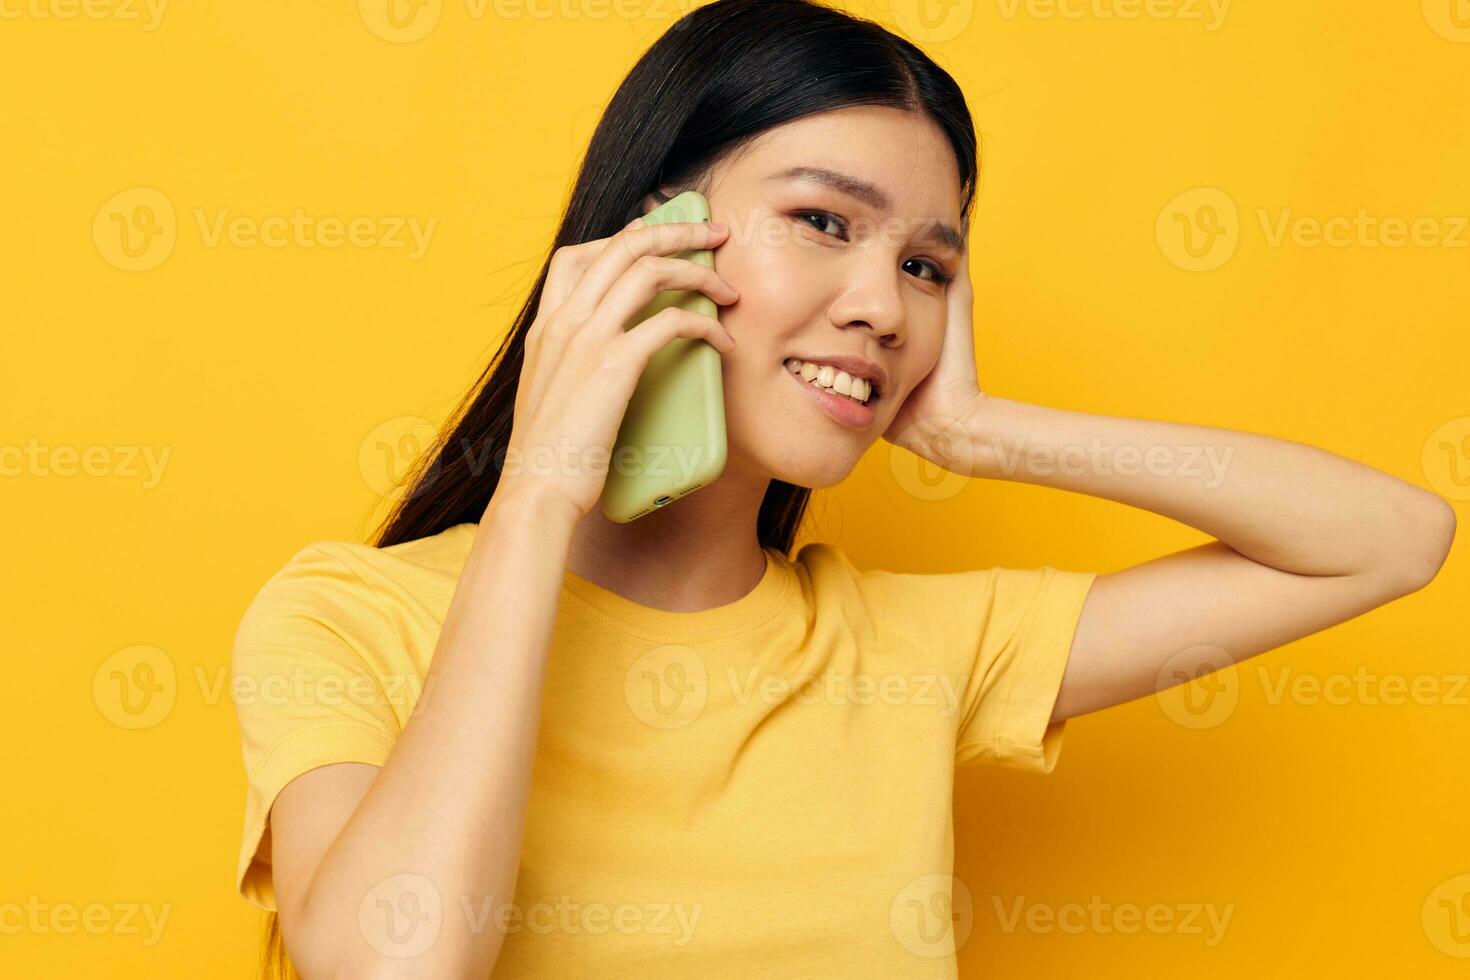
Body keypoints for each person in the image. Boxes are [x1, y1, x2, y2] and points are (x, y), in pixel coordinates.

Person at [229, 1, 1456, 976]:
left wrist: (981, 432)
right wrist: (544, 485)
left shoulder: (916, 646)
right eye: (824, 220)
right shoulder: (346, 616)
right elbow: (402, 961)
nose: (883, 306)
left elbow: (1392, 538)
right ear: (656, 242)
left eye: (926, 263)